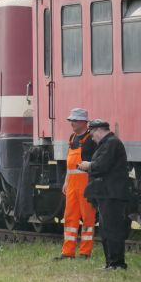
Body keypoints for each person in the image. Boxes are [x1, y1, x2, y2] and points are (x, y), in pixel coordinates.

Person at [78, 119, 130, 270]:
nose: (92, 138)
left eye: (92, 134)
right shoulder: (106, 144)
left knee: (113, 229)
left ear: (99, 131)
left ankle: (117, 263)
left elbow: (102, 166)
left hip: (112, 194)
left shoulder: (112, 143)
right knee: (106, 229)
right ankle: (110, 263)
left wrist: (89, 165)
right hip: (106, 193)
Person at [54, 108, 97, 260]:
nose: (71, 123)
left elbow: (96, 163)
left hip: (86, 184)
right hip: (72, 185)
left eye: (75, 120)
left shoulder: (91, 139)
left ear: (84, 122)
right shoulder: (73, 138)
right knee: (70, 219)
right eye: (71, 120)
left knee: (88, 218)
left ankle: (85, 252)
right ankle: (67, 252)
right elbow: (70, 165)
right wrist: (66, 181)